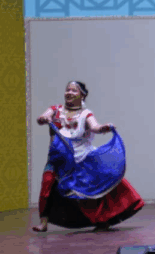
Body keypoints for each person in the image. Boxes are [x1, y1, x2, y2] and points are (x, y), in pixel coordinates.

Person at [32, 81, 144, 232]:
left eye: (74, 91)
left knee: (92, 191)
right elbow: (42, 117)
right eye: (67, 90)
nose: (69, 93)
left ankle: (103, 220)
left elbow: (95, 127)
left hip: (82, 159)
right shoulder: (55, 110)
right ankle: (43, 222)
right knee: (47, 185)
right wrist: (43, 119)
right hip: (58, 159)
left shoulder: (86, 114)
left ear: (82, 95)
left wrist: (104, 128)